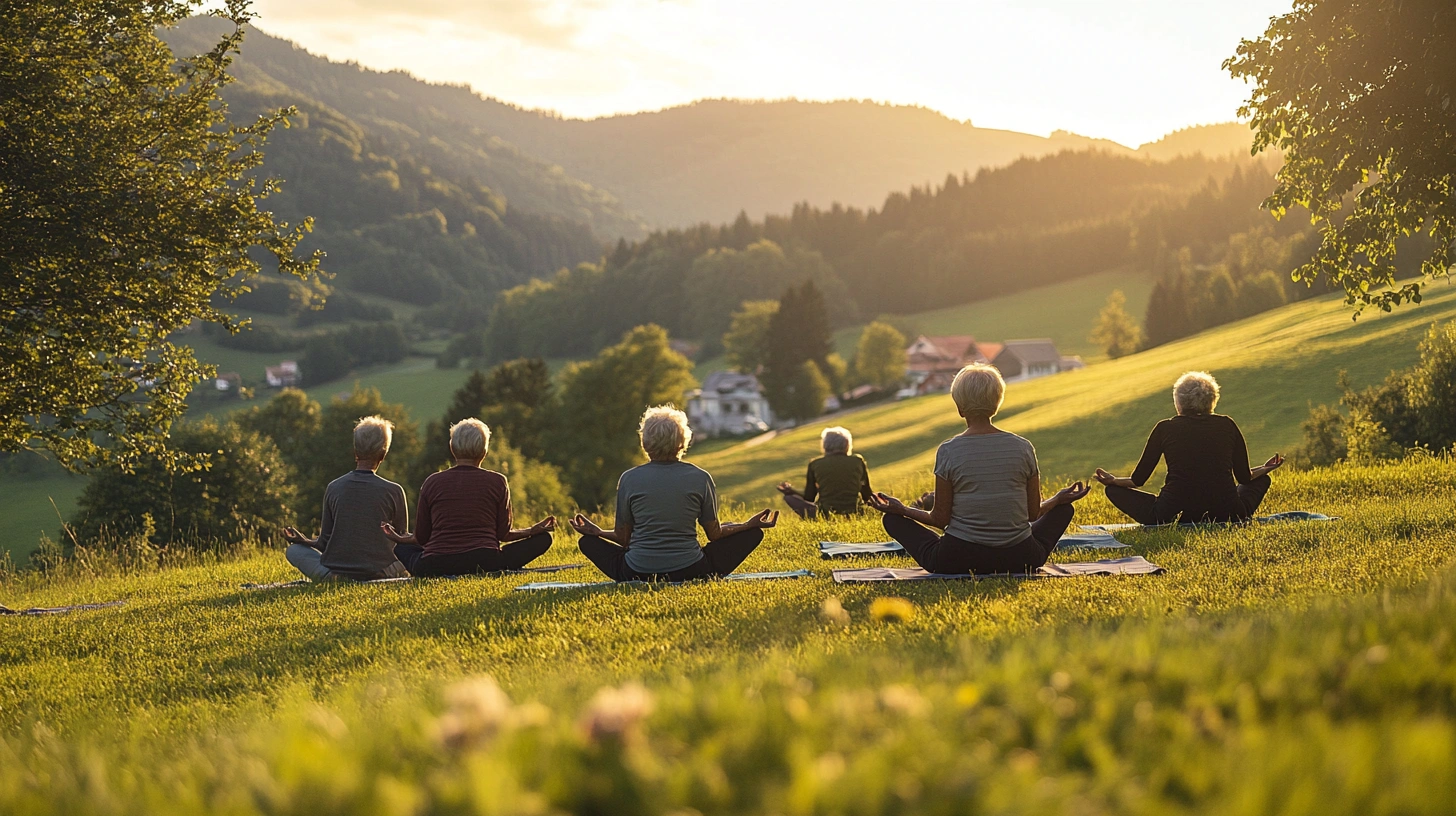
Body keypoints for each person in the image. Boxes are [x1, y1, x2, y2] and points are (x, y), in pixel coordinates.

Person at [867, 364, 1089, 575]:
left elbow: (940, 519)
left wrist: (902, 510)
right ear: (996, 403)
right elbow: (1032, 514)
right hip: (1022, 557)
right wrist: (1058, 500)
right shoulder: (1023, 447)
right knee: (1064, 510)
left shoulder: (949, 450)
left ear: (960, 408)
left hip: (957, 559)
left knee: (892, 519)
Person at [571, 405, 779, 582]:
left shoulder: (629, 478)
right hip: (692, 571)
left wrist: (598, 533)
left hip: (636, 573)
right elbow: (714, 535)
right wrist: (747, 526)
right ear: (683, 441)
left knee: (587, 542)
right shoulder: (701, 477)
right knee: (754, 534)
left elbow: (623, 539)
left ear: (645, 442)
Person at [1093, 371, 1284, 524]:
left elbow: (1138, 480)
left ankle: (1183, 515)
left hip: (1171, 510)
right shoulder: (1227, 425)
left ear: (1178, 401)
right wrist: (1265, 469)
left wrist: (1113, 481)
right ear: (1212, 400)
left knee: (1113, 491)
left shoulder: (1164, 428)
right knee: (1262, 481)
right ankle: (1217, 515)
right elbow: (1244, 478)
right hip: (1229, 511)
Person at [379, 418, 557, 576]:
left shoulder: (432, 481)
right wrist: (532, 531)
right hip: (486, 561)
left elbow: (422, 538)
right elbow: (503, 534)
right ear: (484, 451)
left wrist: (399, 539)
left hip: (435, 565)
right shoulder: (498, 481)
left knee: (403, 549)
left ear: (452, 448)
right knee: (544, 539)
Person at [282, 416, 411, 582]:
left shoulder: (333, 487)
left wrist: (304, 541)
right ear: (383, 454)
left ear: (355, 452)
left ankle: (330, 577)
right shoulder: (394, 491)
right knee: (422, 546)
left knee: (294, 551)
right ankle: (385, 574)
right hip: (379, 569)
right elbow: (402, 540)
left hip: (336, 568)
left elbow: (325, 542)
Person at [776, 426, 874, 519]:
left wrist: (791, 492)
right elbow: (867, 495)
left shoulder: (815, 464)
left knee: (789, 498)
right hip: (855, 510)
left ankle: (812, 518)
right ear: (847, 444)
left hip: (825, 513)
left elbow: (809, 498)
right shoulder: (857, 461)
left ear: (825, 445)